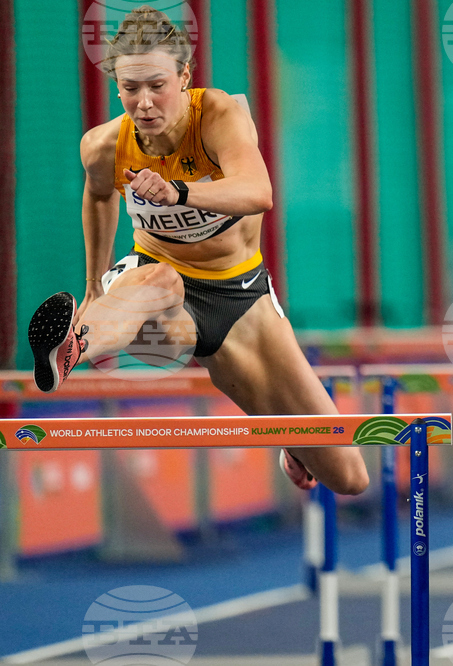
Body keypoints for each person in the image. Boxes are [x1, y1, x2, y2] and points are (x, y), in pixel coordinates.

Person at [27, 6, 368, 496]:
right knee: (158, 281)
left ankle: (293, 443)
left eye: (156, 85)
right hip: (160, 286)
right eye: (130, 88)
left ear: (184, 75)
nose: (143, 103)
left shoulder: (221, 116)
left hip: (240, 296)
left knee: (348, 477)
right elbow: (99, 194)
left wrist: (178, 193)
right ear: (116, 86)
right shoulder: (104, 146)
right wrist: (91, 287)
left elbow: (258, 192)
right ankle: (73, 347)